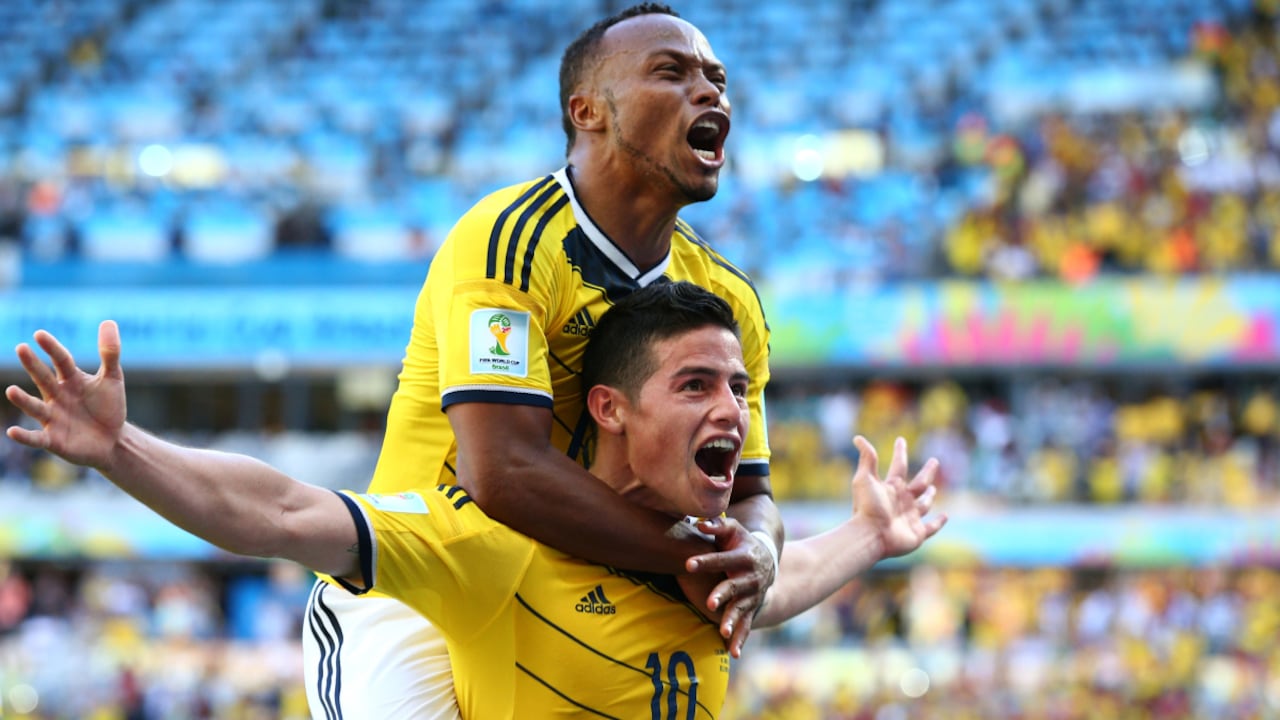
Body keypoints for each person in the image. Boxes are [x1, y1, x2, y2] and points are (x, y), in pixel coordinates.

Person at [4, 280, 946, 718]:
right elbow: (288, 514)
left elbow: (778, 586)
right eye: (696, 385)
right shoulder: (499, 548)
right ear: (610, 410)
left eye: (740, 389)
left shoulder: (710, 555)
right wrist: (121, 449)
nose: (733, 412)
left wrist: (869, 533)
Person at [304, 4, 787, 716]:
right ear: (587, 110)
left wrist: (761, 554)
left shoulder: (727, 298)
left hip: (589, 582)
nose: (711, 91)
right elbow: (502, 473)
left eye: (717, 78)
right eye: (672, 71)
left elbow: (753, 492)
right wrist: (693, 558)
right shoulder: (509, 241)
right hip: (427, 587)